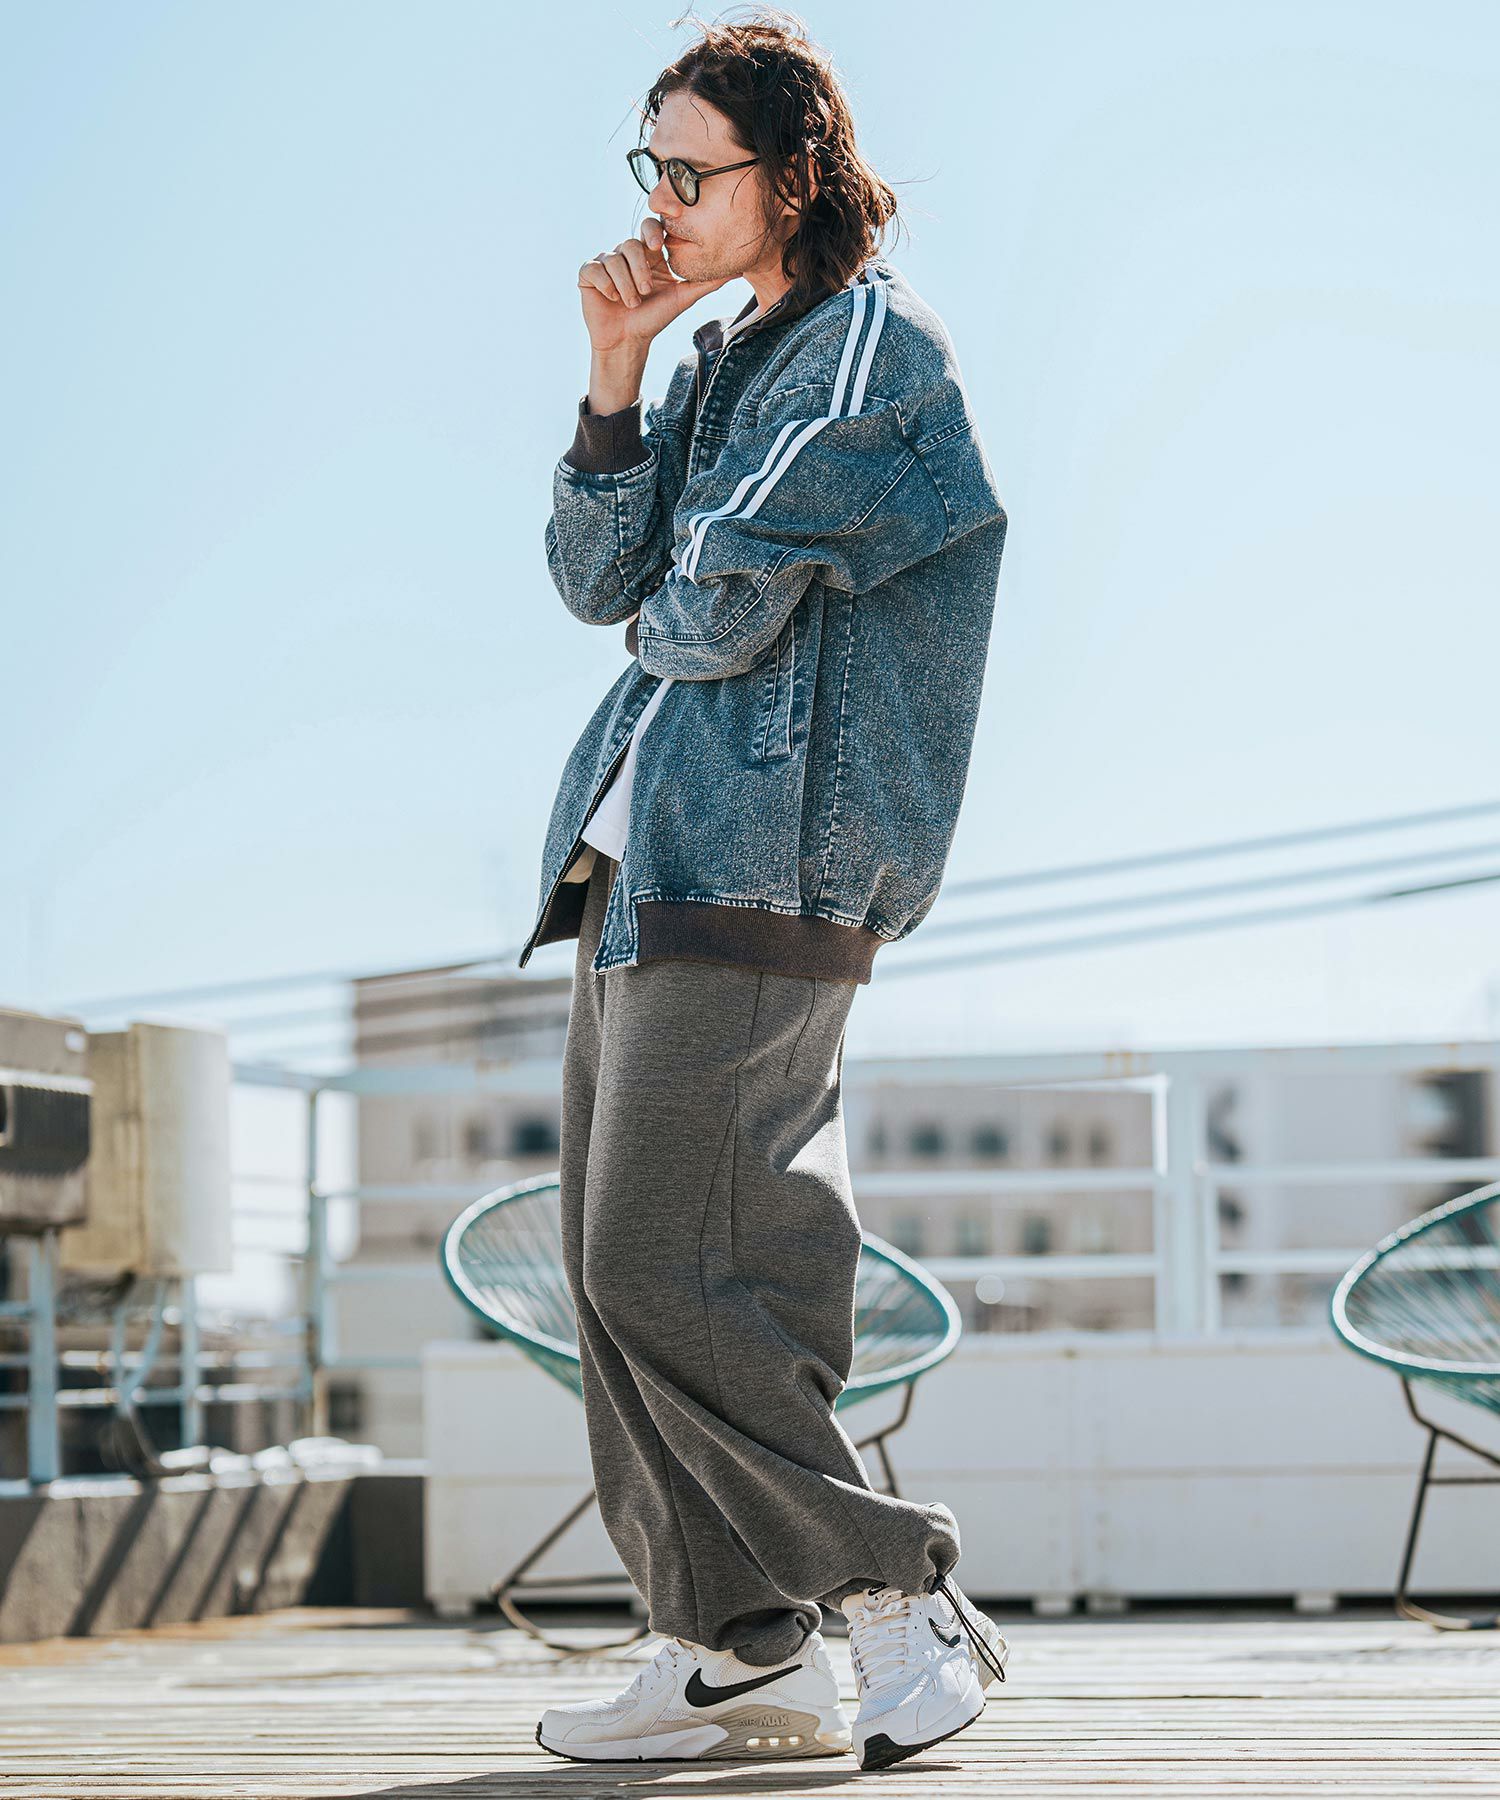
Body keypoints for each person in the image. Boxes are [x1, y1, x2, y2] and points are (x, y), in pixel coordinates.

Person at [520, 9, 1009, 1774]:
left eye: (688, 170)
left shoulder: (873, 346)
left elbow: (707, 613)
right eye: (645, 165)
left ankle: (896, 1598)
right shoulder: (724, 362)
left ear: (792, 176)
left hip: (766, 871)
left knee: (677, 1268)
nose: (656, 201)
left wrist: (678, 579)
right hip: (643, 873)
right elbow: (602, 584)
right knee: (618, 1277)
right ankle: (735, 1654)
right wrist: (617, 372)